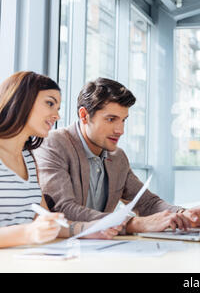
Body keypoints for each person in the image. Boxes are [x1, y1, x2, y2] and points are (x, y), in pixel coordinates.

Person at [34, 78, 200, 235]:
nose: (120, 130)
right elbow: (63, 210)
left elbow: (147, 203)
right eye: (111, 119)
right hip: (63, 251)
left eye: (123, 120)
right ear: (84, 115)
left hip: (103, 248)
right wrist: (134, 224)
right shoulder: (53, 144)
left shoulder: (117, 156)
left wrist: (183, 214)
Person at [0, 71, 122, 248]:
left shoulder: (28, 158)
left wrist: (88, 229)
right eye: (50, 103)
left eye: (58, 108)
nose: (57, 116)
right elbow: (33, 229)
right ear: (21, 100)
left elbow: (43, 220)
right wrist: (28, 232)